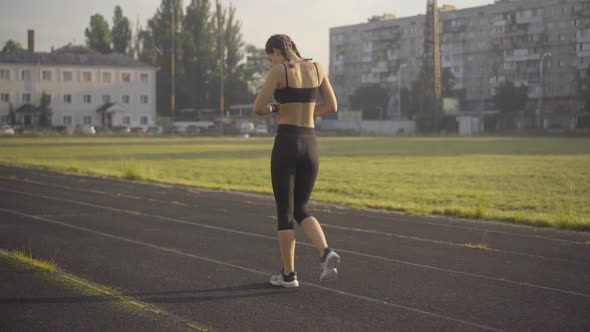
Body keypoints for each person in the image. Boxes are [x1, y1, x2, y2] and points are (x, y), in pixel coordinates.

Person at [253, 34, 340, 288]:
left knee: (285, 211)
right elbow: (331, 106)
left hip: (287, 142)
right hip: (311, 144)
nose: (271, 63)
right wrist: (303, 107)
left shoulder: (280, 71)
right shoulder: (317, 67)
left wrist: (277, 108)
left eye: (271, 57)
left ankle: (289, 275)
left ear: (277, 51)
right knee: (302, 208)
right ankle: (325, 252)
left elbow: (258, 108)